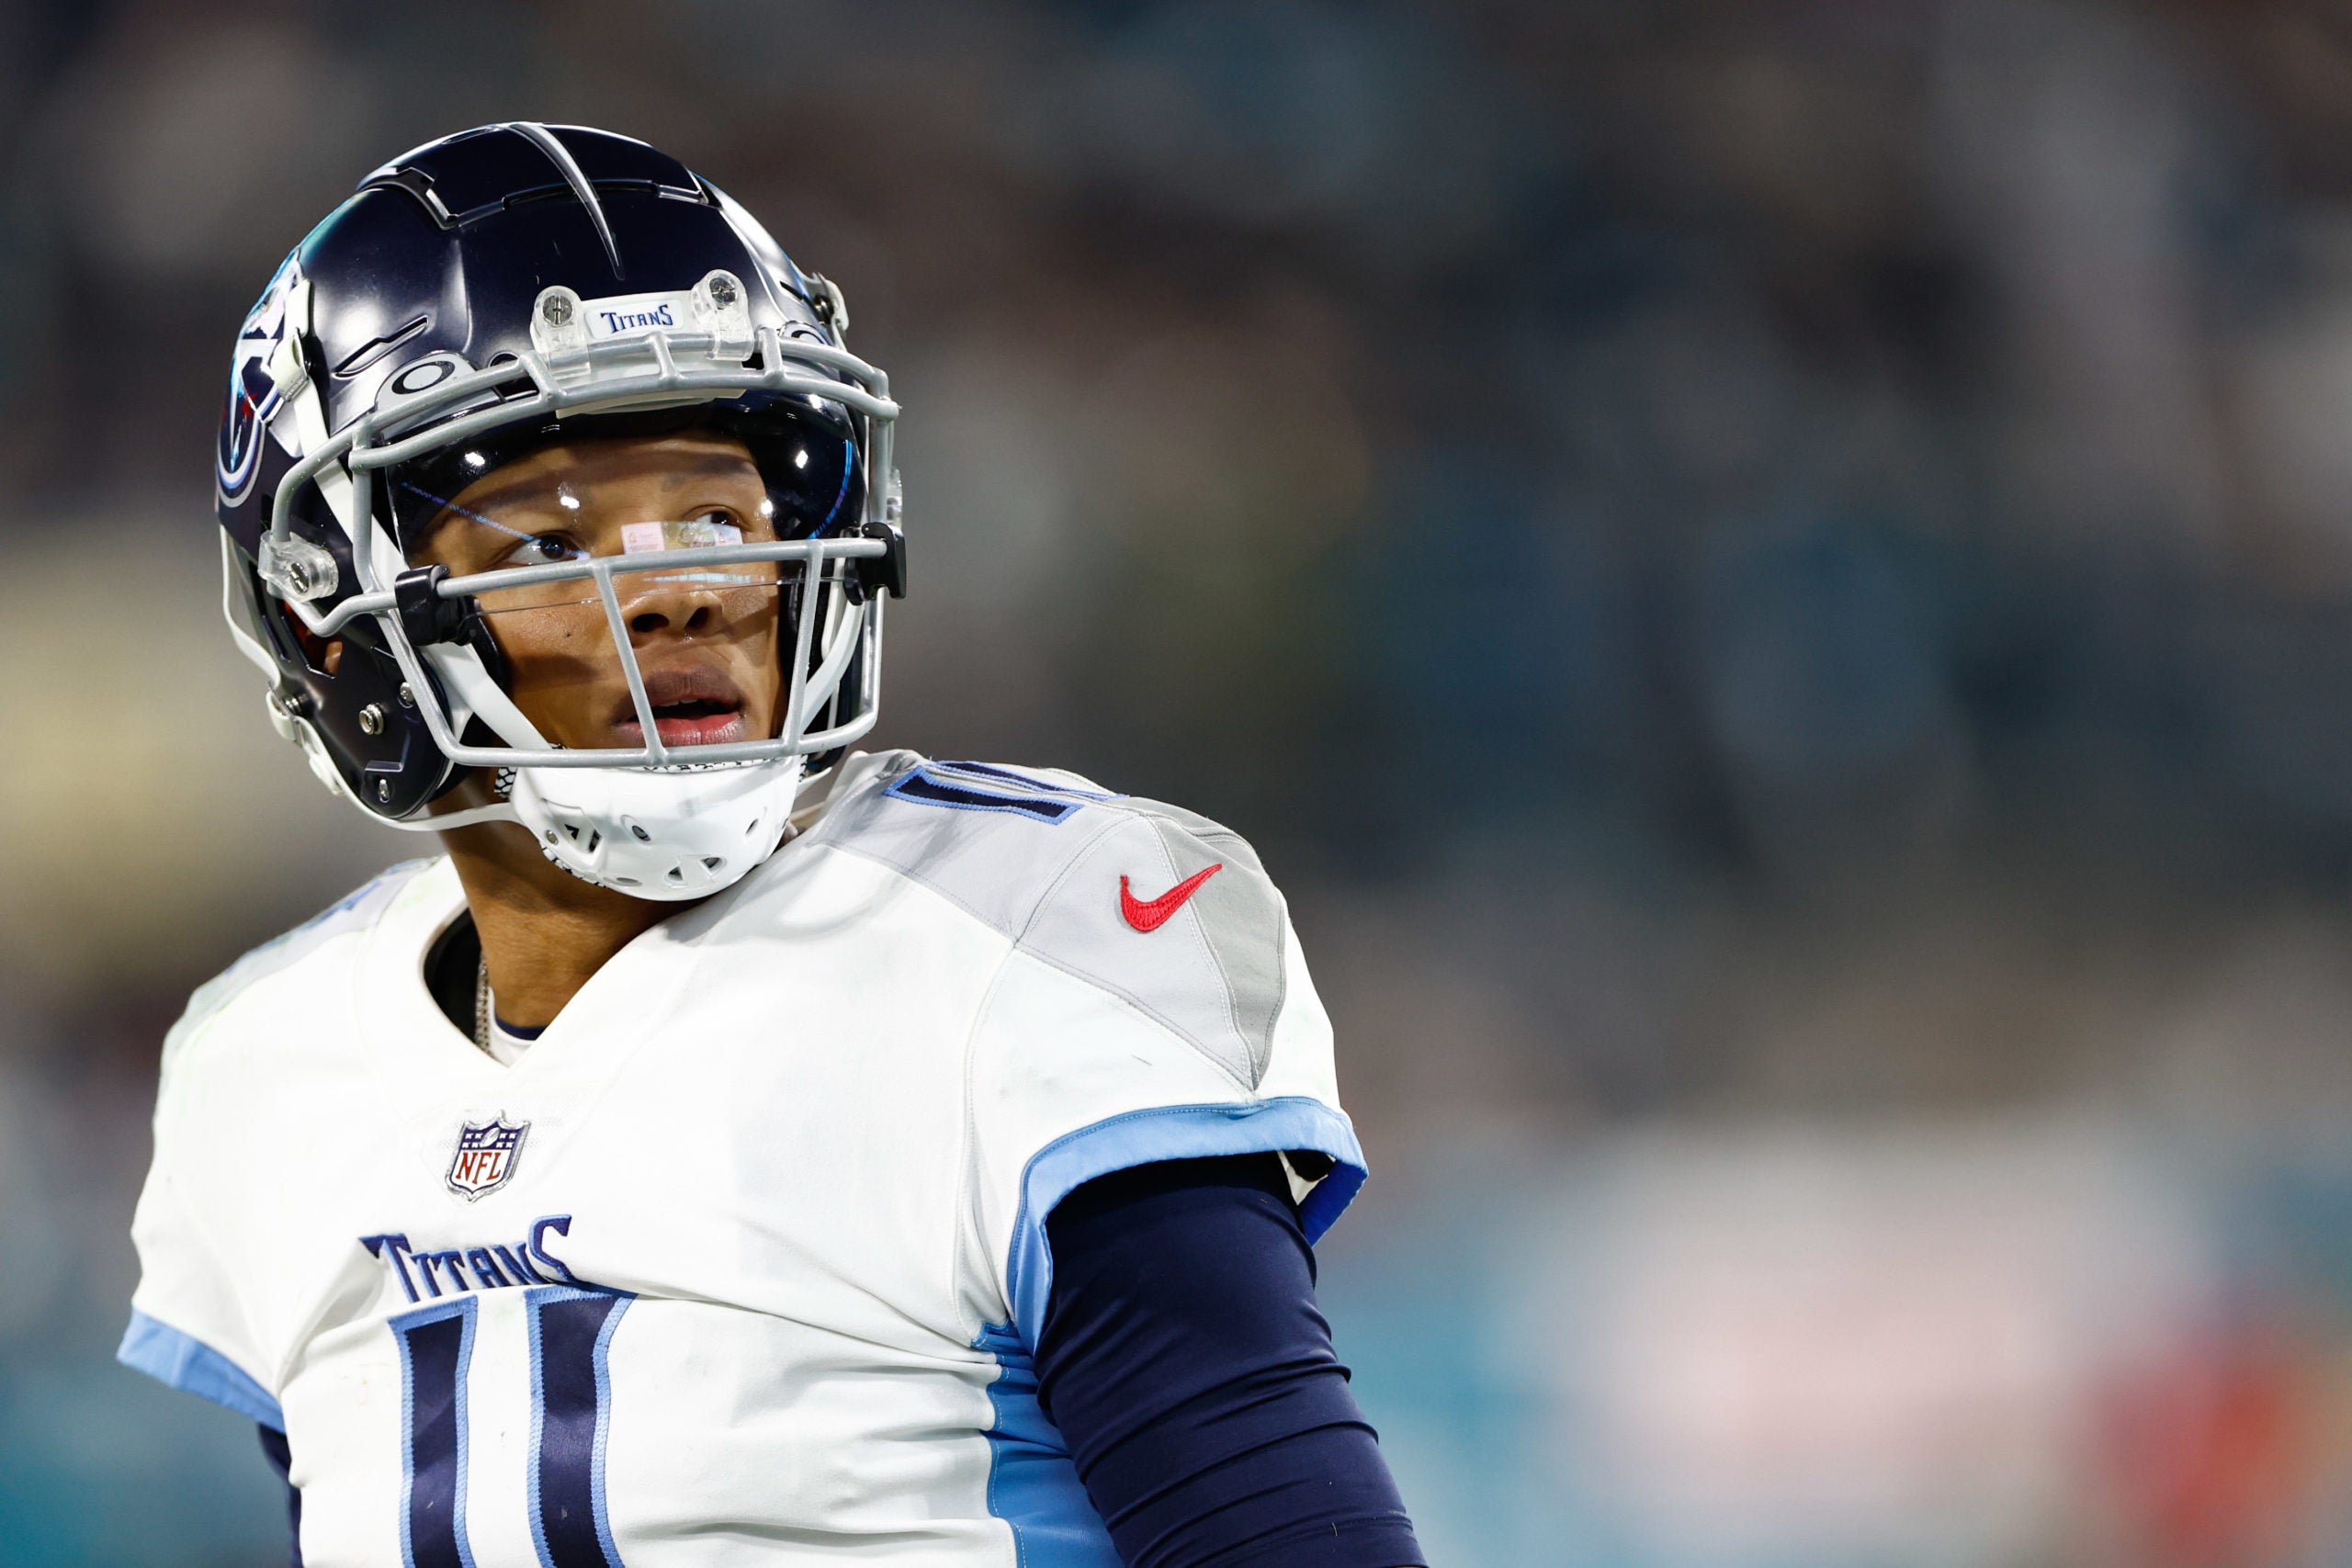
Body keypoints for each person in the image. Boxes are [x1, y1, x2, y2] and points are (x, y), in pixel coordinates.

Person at [119, 122, 1425, 1568]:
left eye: (718, 516)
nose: (677, 592)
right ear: (330, 614)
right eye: (552, 545)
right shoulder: (268, 1065)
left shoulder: (1020, 934)